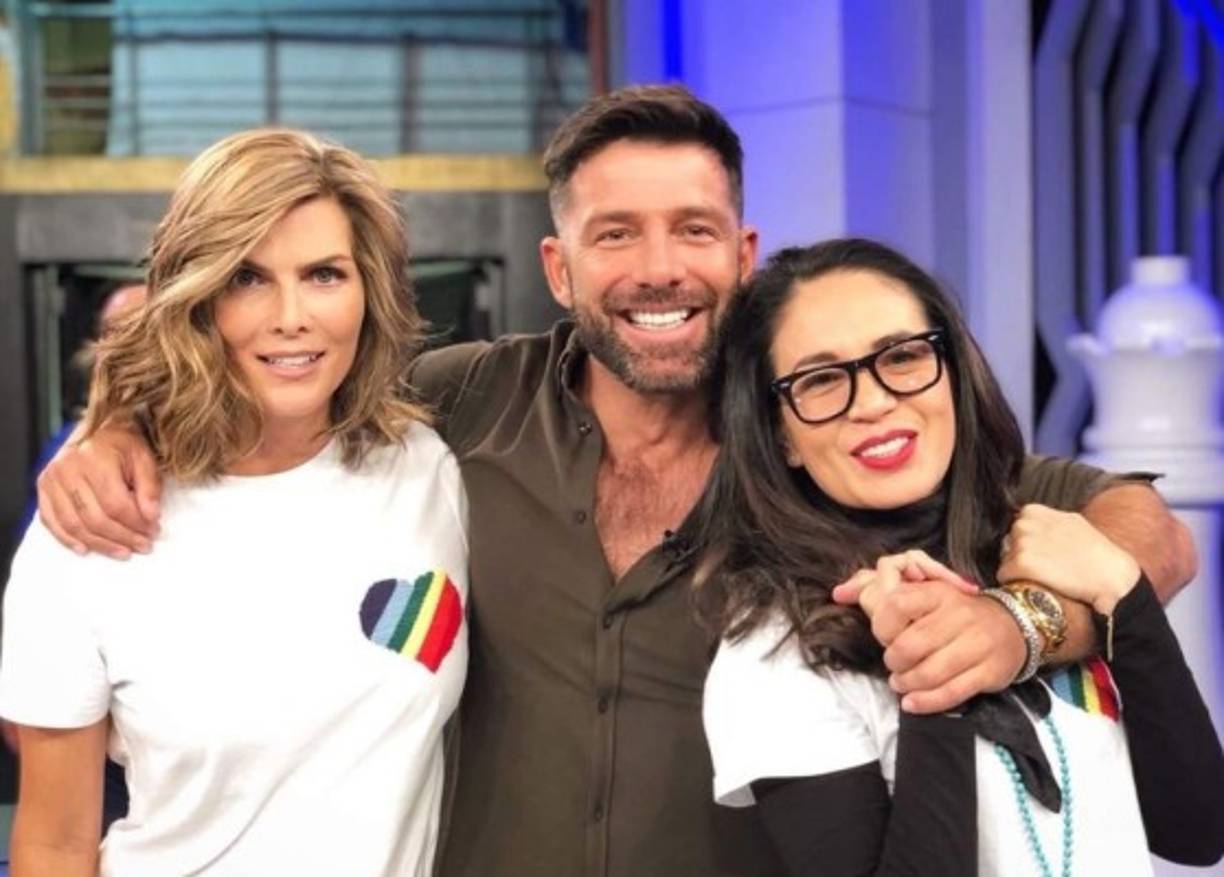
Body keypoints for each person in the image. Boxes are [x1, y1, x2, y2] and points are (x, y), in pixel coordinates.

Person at [32, 86, 1197, 876]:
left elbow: (1145, 529)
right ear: (559, 265)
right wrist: (120, 426)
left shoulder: (819, 424)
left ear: (743, 253)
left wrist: (1023, 621)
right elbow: (272, 382)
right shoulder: (455, 406)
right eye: (615, 234)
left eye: (693, 229)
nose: (658, 268)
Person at [0, 129, 468, 875]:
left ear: (369, 292)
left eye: (324, 274)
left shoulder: (430, 468)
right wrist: (110, 423)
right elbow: (54, 844)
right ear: (198, 297)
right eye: (247, 277)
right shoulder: (93, 524)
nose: (291, 315)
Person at [698, 239, 1224, 875]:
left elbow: (1196, 831)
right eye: (821, 380)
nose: (873, 402)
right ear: (781, 434)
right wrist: (934, 681)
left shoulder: (1044, 560)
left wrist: (1122, 592)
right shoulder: (775, 649)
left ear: (953, 370)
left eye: (902, 356)